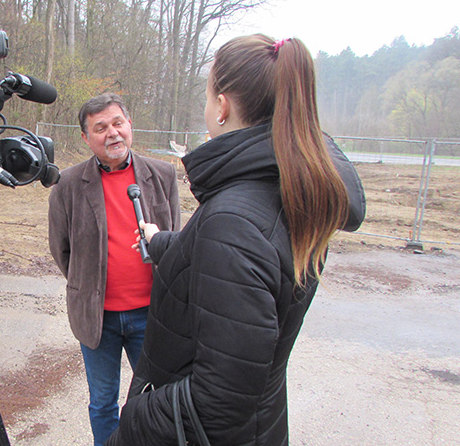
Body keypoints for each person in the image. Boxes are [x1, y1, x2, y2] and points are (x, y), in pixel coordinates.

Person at [105, 35, 366, 446]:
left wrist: (136, 417)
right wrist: (161, 242)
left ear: (222, 106)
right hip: (261, 423)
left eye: (209, 96)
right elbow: (223, 264)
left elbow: (217, 406)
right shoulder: (285, 190)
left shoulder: (234, 220)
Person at [48, 92, 181, 446]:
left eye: (118, 123)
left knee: (157, 400)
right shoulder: (67, 184)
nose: (112, 134)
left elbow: (174, 242)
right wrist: (87, 285)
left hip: (152, 316)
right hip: (97, 319)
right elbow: (62, 250)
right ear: (86, 137)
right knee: (103, 402)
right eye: (100, 127)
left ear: (130, 125)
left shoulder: (163, 175)